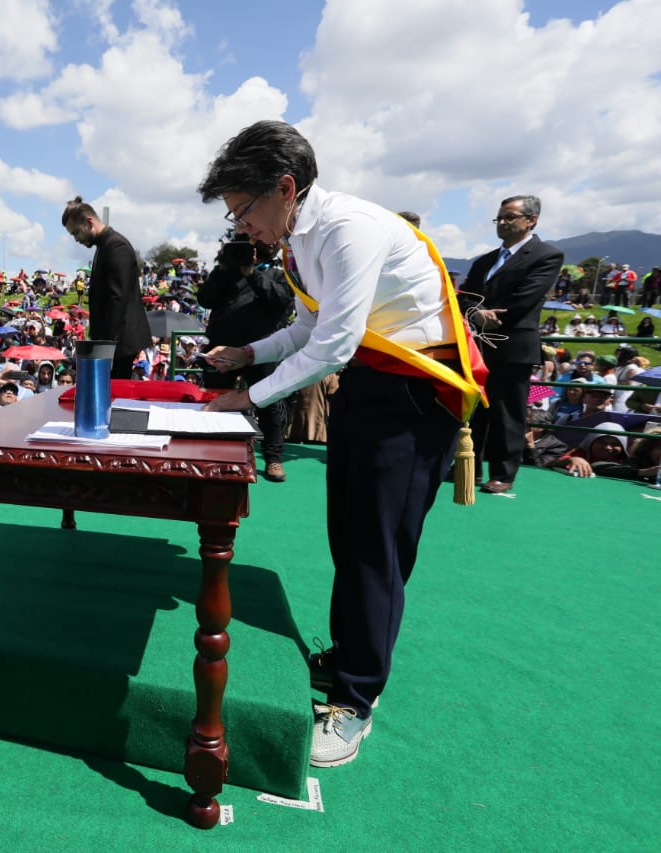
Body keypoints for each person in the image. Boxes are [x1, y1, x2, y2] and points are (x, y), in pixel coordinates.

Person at [196, 120, 485, 768]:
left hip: (414, 399)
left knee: (375, 549)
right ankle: (353, 649)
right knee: (348, 535)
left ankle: (357, 699)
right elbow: (304, 325)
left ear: (286, 188)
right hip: (368, 390)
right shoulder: (303, 240)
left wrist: (249, 396)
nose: (241, 226)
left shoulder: (347, 229)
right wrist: (248, 351)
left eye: (243, 210)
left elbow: (333, 342)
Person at [459, 195, 563, 494]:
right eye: (499, 218)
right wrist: (475, 313)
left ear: (531, 220)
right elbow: (464, 296)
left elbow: (526, 298)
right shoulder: (483, 261)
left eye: (510, 217)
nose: (502, 223)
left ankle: (504, 473)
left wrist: (490, 316)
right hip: (478, 344)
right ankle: (469, 466)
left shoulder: (546, 255)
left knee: (508, 412)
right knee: (473, 408)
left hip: (513, 344)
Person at [196, 234, 294, 482]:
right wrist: (225, 268)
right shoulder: (225, 272)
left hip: (261, 349)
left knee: (271, 402)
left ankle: (273, 457)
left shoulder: (277, 272)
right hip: (222, 348)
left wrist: (251, 272)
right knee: (215, 397)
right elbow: (205, 299)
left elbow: (281, 301)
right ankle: (213, 450)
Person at [61, 196, 152, 378]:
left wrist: (106, 348)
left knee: (115, 394)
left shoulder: (116, 246)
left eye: (76, 233)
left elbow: (116, 299)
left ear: (89, 222)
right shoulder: (104, 246)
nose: (76, 239)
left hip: (119, 343)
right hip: (113, 342)